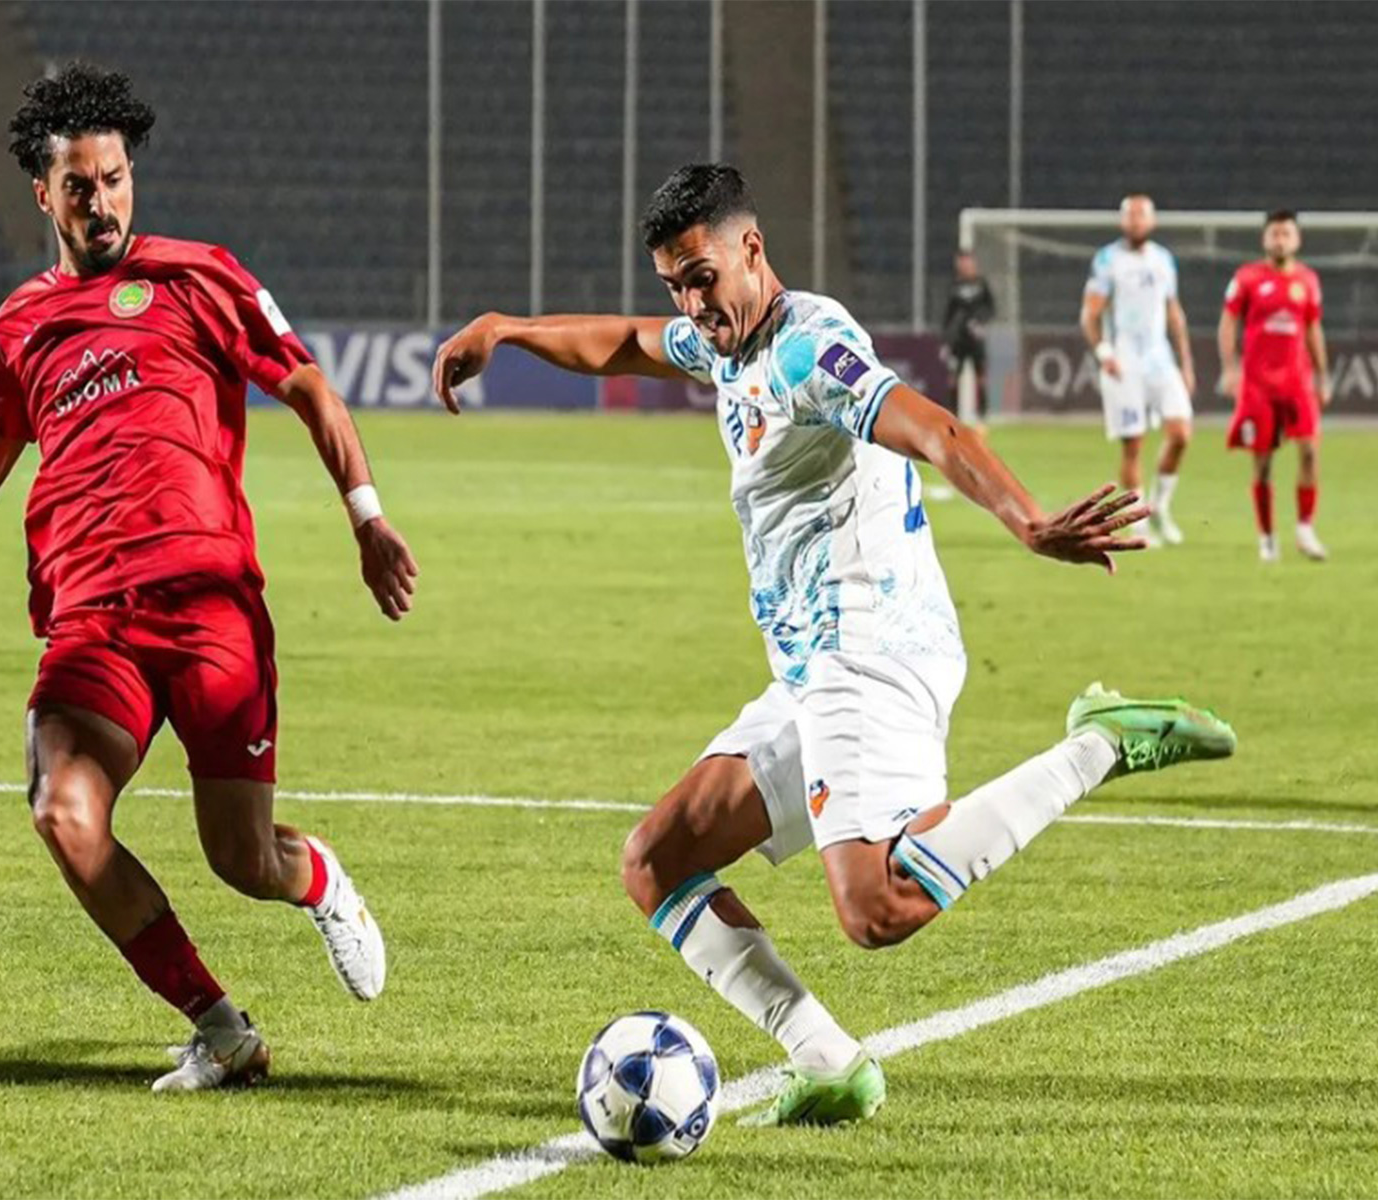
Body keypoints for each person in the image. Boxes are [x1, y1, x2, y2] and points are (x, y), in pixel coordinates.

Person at [433, 165, 1236, 1128]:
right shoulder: (724, 340)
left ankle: (1100, 742)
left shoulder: (809, 349)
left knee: (877, 907)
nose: (692, 304)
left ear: (752, 249)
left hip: (870, 646)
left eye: (701, 278)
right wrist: (507, 329)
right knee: (657, 859)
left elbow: (933, 428)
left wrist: (1026, 521)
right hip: (811, 667)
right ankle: (827, 1060)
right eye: (675, 285)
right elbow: (626, 342)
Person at [0, 64, 416, 1092]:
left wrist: (368, 518)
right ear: (44, 193)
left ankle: (316, 877)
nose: (102, 203)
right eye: (79, 186)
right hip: (91, 620)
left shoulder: (199, 276)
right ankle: (222, 1030)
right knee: (63, 810)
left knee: (242, 860)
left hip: (209, 607)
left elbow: (307, 385)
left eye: (115, 179)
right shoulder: (19, 327)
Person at [1079, 194, 1197, 545]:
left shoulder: (1163, 260)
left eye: (1141, 215)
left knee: (1181, 434)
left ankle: (1160, 506)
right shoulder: (1108, 260)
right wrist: (1104, 353)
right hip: (1124, 363)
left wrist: (1186, 362)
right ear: (1122, 221)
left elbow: (1174, 311)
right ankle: (1139, 523)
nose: (1136, 221)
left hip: (1160, 360)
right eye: (1130, 215)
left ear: (1152, 220)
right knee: (1133, 445)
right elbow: (1090, 313)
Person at [1219, 210, 1332, 562]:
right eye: (1275, 234)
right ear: (1264, 239)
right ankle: (1267, 537)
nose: (1280, 240)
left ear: (1297, 239)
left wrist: (1323, 374)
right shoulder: (1247, 278)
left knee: (1310, 452)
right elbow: (1228, 323)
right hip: (1258, 386)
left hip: (1297, 383)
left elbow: (1313, 328)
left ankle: (1305, 530)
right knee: (1264, 462)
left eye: (1286, 234)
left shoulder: (1308, 280)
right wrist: (1230, 368)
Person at [941, 250, 995, 425]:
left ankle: (982, 414)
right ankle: (952, 414)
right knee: (953, 378)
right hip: (957, 341)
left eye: (968, 262)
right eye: (962, 262)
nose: (965, 266)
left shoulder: (981, 284)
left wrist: (981, 323)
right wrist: (946, 342)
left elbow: (990, 308)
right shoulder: (953, 285)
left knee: (981, 376)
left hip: (976, 340)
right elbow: (947, 315)